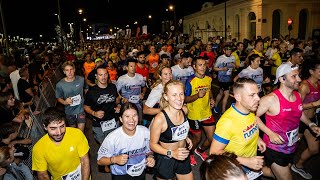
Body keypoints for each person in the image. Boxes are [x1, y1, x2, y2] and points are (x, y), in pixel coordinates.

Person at [255, 63, 320, 180]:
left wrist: (311, 125)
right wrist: (269, 132)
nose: (299, 79)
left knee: (276, 173)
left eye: (298, 75)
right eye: (294, 76)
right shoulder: (270, 99)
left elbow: (299, 113)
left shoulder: (297, 95)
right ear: (282, 79)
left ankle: (249, 171)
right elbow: (252, 116)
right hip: (275, 148)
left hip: (291, 145)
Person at [210, 78, 266, 174]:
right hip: (235, 169)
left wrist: (258, 139)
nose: (258, 98)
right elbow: (214, 152)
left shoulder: (250, 110)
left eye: (257, 94)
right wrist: (245, 161)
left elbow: (249, 126)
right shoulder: (227, 122)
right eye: (252, 95)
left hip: (251, 164)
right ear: (238, 97)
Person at [97, 102, 155, 179]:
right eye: (127, 116)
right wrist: (114, 159)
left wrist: (150, 157)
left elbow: (150, 149)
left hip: (140, 172)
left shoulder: (145, 132)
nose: (131, 120)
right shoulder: (112, 138)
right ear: (121, 119)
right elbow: (100, 160)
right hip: (120, 175)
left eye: (134, 115)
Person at [150, 80, 193, 180]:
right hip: (166, 158)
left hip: (183, 156)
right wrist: (172, 153)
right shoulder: (160, 119)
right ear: (166, 97)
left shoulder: (185, 110)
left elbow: (178, 128)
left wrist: (185, 137)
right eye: (174, 95)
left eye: (181, 94)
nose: (179, 98)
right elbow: (152, 144)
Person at [32, 107, 90, 180]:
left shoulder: (77, 134)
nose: (59, 133)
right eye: (53, 128)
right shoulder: (38, 148)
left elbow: (85, 161)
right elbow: (43, 175)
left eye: (62, 126)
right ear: (45, 127)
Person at [291, 60, 320, 179]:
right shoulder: (304, 86)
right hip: (300, 121)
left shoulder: (318, 84)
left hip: (311, 120)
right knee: (292, 147)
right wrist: (315, 104)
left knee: (314, 149)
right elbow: (296, 106)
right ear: (311, 71)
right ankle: (284, 168)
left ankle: (298, 165)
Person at [185, 56, 215, 166]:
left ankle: (200, 150)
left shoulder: (209, 78)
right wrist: (197, 95)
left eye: (204, 65)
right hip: (194, 115)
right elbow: (186, 99)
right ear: (194, 67)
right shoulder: (190, 81)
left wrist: (211, 98)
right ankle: (191, 153)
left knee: (212, 139)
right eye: (200, 65)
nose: (202, 67)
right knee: (197, 139)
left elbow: (209, 89)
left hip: (207, 112)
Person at [84, 65, 121, 144]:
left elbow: (117, 98)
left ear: (108, 75)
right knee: (105, 146)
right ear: (96, 76)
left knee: (115, 144)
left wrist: (118, 105)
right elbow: (86, 107)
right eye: (100, 75)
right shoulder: (91, 92)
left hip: (113, 121)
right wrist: (94, 113)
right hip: (99, 125)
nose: (103, 77)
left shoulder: (113, 87)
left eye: (105, 74)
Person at [56, 61, 87, 132]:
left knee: (80, 132)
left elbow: (86, 89)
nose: (69, 72)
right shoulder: (60, 84)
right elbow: (58, 98)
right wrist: (64, 102)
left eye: (71, 69)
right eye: (67, 70)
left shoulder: (81, 79)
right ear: (64, 72)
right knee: (73, 130)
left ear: (74, 70)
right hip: (69, 111)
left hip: (80, 109)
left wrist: (85, 99)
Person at [117, 58, 147, 122]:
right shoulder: (121, 79)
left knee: (138, 121)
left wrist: (143, 93)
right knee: (128, 121)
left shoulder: (140, 77)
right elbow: (116, 91)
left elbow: (144, 87)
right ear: (127, 67)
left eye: (134, 66)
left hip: (138, 104)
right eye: (131, 66)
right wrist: (122, 98)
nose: (133, 68)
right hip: (126, 104)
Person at [213, 45, 235, 114]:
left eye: (230, 50)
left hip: (229, 78)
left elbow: (234, 67)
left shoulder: (233, 57)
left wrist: (234, 66)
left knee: (221, 93)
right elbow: (214, 68)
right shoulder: (220, 58)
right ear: (224, 51)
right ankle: (223, 111)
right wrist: (222, 69)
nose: (229, 52)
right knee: (227, 94)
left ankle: (215, 105)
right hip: (222, 79)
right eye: (227, 50)